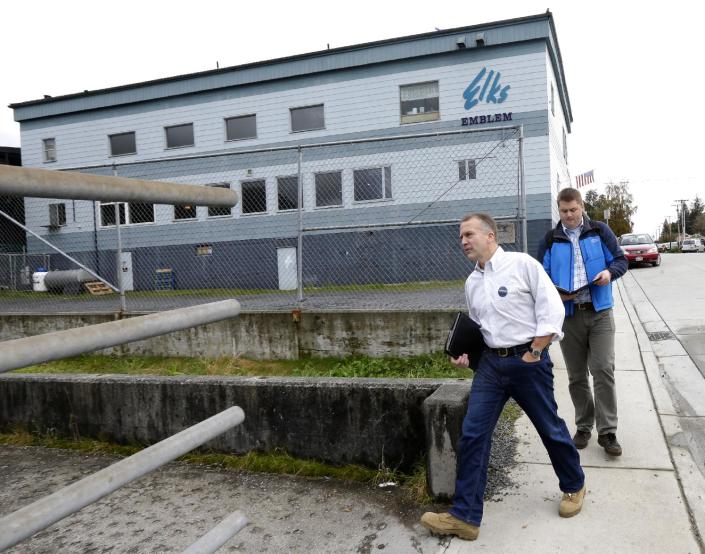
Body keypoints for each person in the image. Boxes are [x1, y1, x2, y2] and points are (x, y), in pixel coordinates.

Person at [421, 213, 585, 541]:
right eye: (461, 237)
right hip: (491, 367)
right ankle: (465, 517)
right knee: (472, 435)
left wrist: (535, 352)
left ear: (490, 236)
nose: (464, 241)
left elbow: (552, 311)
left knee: (549, 428)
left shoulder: (523, 265)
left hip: (528, 361)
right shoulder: (472, 283)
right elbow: (482, 329)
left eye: (469, 234)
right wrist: (467, 355)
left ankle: (574, 486)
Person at [537, 187, 627, 456]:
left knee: (602, 369)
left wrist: (609, 273)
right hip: (569, 316)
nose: (569, 215)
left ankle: (608, 431)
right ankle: (584, 425)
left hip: (600, 313)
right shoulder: (551, 239)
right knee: (577, 376)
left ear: (582, 206)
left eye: (573, 209)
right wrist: (554, 289)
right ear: (559, 210)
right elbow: (539, 275)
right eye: (564, 211)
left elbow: (621, 260)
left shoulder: (599, 231)